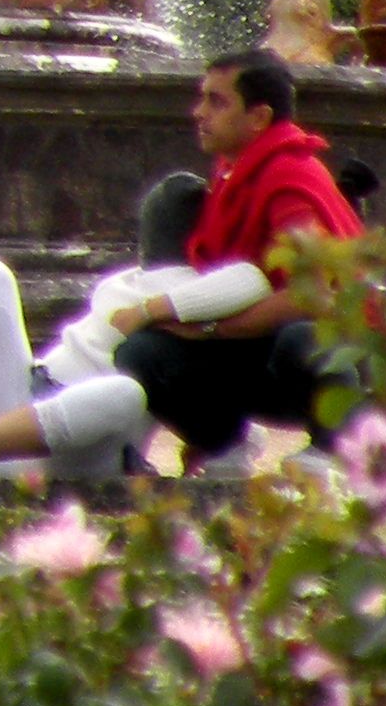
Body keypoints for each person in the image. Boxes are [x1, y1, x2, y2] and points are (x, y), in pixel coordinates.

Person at [0, 172, 270, 480]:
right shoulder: (127, 280)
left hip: (77, 450)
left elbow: (253, 280)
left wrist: (154, 310)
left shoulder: (208, 296)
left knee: (125, 394)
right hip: (11, 421)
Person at [112, 52, 365, 467]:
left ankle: (335, 448)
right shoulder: (232, 171)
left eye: (217, 101)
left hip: (340, 360)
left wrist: (210, 327)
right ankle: (223, 446)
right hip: (257, 347)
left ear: (259, 118)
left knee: (303, 339)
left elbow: (312, 294)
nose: (198, 113)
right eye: (201, 99)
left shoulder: (288, 172)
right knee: (141, 352)